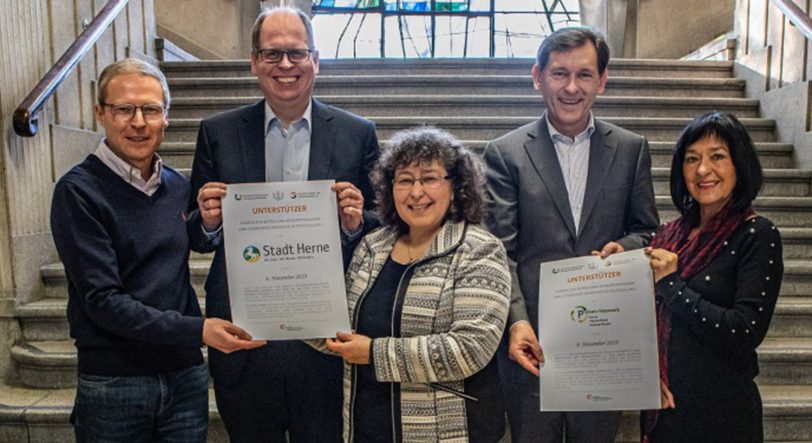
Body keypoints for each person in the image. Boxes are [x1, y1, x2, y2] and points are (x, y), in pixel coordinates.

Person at [187, 6, 380, 442]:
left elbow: (381, 226)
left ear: (315, 59)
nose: (286, 66)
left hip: (327, 342)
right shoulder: (217, 132)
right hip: (245, 339)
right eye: (273, 54)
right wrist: (209, 220)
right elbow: (195, 236)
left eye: (296, 53)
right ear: (254, 61)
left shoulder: (357, 133)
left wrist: (354, 223)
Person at [50, 58, 264, 442]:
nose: (138, 122)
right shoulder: (78, 192)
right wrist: (198, 329)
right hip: (116, 381)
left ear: (166, 116)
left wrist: (212, 221)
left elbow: (194, 240)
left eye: (150, 109)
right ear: (100, 113)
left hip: (184, 376)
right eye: (124, 109)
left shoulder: (175, 184)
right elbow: (103, 301)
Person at [483, 26, 659, 443]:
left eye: (584, 74)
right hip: (533, 344)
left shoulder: (632, 149)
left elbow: (647, 230)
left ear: (602, 80)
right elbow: (498, 252)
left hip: (604, 339)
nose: (571, 87)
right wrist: (517, 324)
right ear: (537, 76)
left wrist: (628, 247)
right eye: (560, 74)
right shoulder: (506, 153)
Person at [310, 127, 511, 442]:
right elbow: (343, 331)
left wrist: (374, 353)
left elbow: (470, 348)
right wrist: (289, 317)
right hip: (366, 427)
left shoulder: (478, 249)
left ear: (457, 186)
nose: (416, 193)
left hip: (446, 430)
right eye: (404, 180)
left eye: (429, 178)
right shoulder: (373, 246)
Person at [643, 111, 783, 442]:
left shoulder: (757, 235)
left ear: (740, 163)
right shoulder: (667, 236)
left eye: (717, 156)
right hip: (663, 411)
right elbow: (640, 321)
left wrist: (672, 286)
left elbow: (745, 330)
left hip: (721, 415)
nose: (703, 170)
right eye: (692, 159)